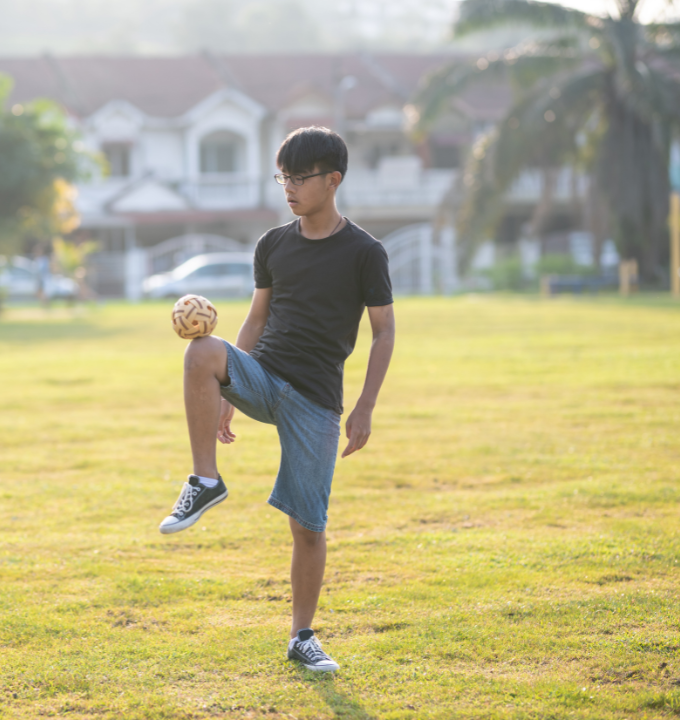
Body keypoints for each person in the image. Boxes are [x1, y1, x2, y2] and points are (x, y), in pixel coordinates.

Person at [159, 126, 396, 672]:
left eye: (300, 176)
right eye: (282, 175)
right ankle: (205, 480)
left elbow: (384, 332)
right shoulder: (272, 244)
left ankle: (302, 637)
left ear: (332, 180)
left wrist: (365, 406)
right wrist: (229, 392)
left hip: (317, 400)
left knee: (308, 526)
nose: (288, 186)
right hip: (265, 376)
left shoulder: (365, 252)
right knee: (201, 354)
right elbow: (257, 317)